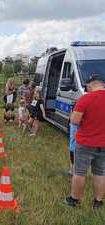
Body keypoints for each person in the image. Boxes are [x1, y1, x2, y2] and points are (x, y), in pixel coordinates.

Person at [64, 74, 105, 209]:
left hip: (85, 142)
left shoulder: (86, 98)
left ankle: (74, 200)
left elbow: (74, 120)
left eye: (87, 86)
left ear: (91, 84)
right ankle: (98, 202)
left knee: (79, 172)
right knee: (100, 173)